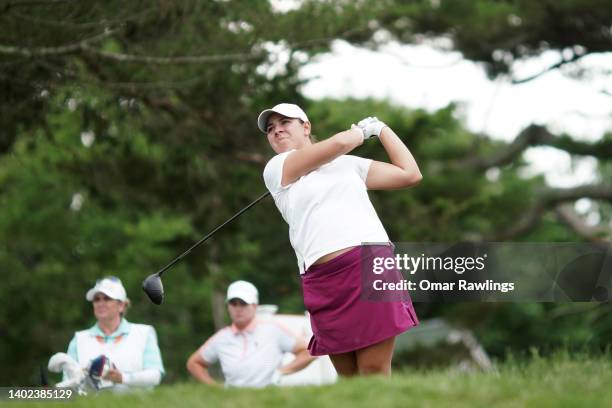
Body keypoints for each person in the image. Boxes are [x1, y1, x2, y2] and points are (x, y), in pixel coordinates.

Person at [258, 103, 422, 377]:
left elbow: (410, 174)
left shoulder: (348, 165)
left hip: (368, 264)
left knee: (373, 370)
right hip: (322, 279)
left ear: (306, 126)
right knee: (348, 378)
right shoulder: (277, 168)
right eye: (271, 129)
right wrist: (360, 132)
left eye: (285, 122)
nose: (277, 130)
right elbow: (342, 141)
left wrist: (382, 130)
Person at [186, 280, 315, 387]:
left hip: (268, 397)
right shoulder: (221, 337)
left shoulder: (272, 329)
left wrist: (281, 372)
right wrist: (215, 389)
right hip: (232, 402)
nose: (238, 308)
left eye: (243, 303)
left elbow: (309, 352)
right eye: (233, 303)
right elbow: (194, 363)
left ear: (254, 306)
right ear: (228, 307)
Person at [65, 276, 165, 391]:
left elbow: (155, 376)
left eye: (107, 298)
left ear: (121, 305)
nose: (100, 303)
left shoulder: (144, 333)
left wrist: (123, 378)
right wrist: (44, 395)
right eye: (96, 299)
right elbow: (67, 387)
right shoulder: (79, 339)